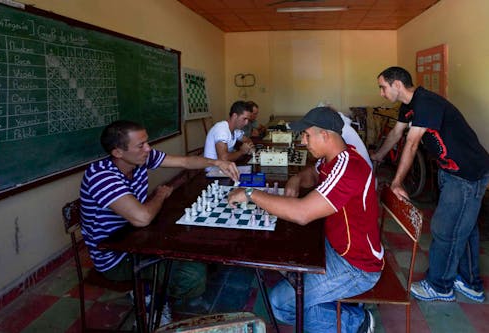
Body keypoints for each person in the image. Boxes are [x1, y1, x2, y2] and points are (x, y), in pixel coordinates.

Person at [228, 107, 383, 333]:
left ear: (326, 135)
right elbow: (313, 173)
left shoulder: (349, 168)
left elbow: (302, 213)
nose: (303, 141)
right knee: (289, 261)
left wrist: (251, 194)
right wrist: (297, 178)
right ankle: (332, 302)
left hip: (356, 266)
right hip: (335, 247)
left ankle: (357, 320)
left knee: (281, 304)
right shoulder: (336, 158)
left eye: (307, 135)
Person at [80, 120, 240, 319]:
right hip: (115, 256)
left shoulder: (141, 158)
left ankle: (151, 289)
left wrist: (216, 162)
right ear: (118, 153)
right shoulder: (101, 175)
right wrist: (160, 195)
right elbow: (142, 218)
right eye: (141, 145)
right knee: (193, 275)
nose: (148, 149)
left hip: (136, 237)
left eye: (147, 142)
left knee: (197, 244)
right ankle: (152, 301)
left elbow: (185, 162)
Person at [371, 66, 489, 303]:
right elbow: (396, 134)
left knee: (445, 230)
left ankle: (440, 285)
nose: (382, 93)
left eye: (383, 87)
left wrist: (396, 182)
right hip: (452, 171)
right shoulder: (409, 105)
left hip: (466, 174)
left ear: (397, 84)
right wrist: (377, 157)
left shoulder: (426, 102)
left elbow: (412, 144)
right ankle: (469, 282)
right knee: (463, 230)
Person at [203, 101, 255, 166]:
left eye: (248, 120)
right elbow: (223, 159)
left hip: (225, 168)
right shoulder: (221, 129)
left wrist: (250, 147)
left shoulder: (236, 130)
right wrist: (241, 151)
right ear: (235, 116)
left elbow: (247, 140)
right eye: (244, 119)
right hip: (212, 171)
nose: (246, 122)